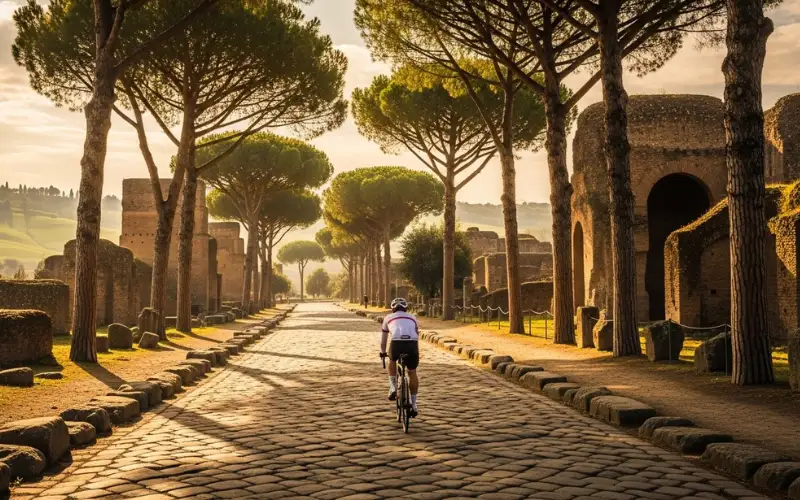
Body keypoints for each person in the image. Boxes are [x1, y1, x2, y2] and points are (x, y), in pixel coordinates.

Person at [380, 297, 419, 417]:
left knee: (392, 360)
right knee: (412, 372)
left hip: (396, 343)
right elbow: (417, 334)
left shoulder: (387, 318)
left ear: (393, 309)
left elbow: (383, 341)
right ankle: (413, 404)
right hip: (412, 344)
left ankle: (392, 387)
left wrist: (383, 352)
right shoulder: (413, 317)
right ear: (406, 308)